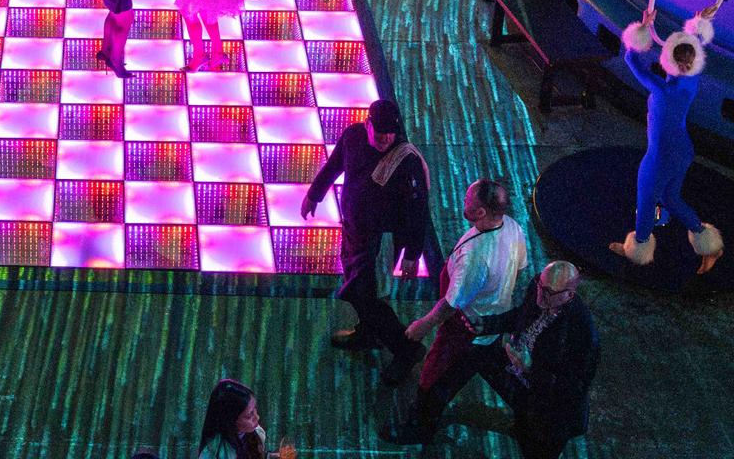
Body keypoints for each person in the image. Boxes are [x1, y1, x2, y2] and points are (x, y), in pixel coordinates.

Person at [381, 178, 529, 446]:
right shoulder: (513, 229)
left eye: (468, 201)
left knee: (434, 377)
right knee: (496, 368)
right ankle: (532, 416)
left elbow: (452, 303)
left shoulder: (475, 256)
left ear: (481, 212)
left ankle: (419, 428)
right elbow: (519, 268)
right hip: (491, 324)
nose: (463, 202)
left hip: (465, 331)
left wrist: (424, 324)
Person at [301, 98, 435, 386]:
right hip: (354, 230)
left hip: (381, 241)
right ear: (368, 124)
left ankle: (406, 348)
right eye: (381, 131)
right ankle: (368, 332)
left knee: (366, 294)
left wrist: (412, 253)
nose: (386, 137)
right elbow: (334, 165)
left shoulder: (407, 160)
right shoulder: (353, 136)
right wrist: (314, 194)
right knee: (357, 289)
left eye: (392, 132)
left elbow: (418, 210)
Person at [610, 37, 724, 273]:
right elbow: (695, 43)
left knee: (646, 197)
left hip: (662, 156)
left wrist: (640, 33)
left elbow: (631, 58)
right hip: (681, 151)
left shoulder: (662, 89)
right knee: (671, 198)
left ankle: (636, 249)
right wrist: (699, 26)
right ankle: (710, 247)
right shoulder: (690, 80)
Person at [473, 262, 600, 459]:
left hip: (551, 417)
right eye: (540, 285)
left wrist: (531, 368)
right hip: (525, 390)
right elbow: (520, 315)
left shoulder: (581, 332)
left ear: (569, 295)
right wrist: (487, 325)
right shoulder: (539, 290)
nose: (540, 294)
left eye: (548, 291)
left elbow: (572, 387)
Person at [198, 378, 268, 459]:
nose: (257, 417)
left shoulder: (257, 433)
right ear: (231, 420)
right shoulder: (213, 450)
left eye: (255, 409)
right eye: (249, 415)